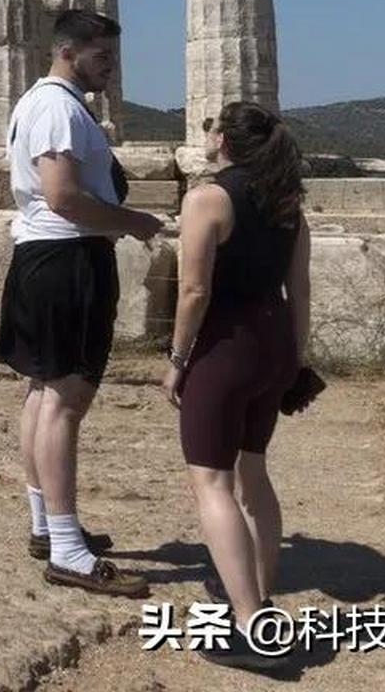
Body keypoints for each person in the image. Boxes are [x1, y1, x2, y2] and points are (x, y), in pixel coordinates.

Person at [0, 10, 164, 598]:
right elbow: (63, 196)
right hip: (66, 260)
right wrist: (134, 221)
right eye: (103, 58)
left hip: (44, 258)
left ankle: (48, 526)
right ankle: (68, 552)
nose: (111, 69)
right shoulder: (60, 108)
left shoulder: (38, 102)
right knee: (66, 399)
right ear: (69, 52)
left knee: (43, 392)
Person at [162, 101, 311, 670]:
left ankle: (249, 624)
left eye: (209, 126)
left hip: (225, 348)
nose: (207, 134)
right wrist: (295, 361)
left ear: (223, 140)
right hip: (273, 346)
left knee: (212, 484)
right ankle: (261, 598)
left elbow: (194, 292)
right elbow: (299, 291)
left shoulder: (206, 199)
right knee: (253, 474)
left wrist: (177, 358)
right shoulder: (288, 204)